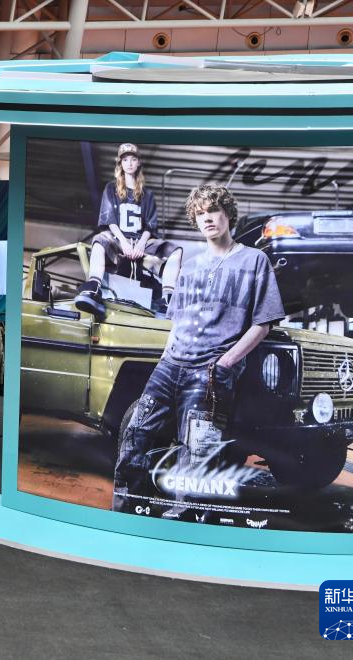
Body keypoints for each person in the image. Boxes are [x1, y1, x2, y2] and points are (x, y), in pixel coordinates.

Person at [112, 184, 285, 519]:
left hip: (209, 371)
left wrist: (225, 363)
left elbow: (263, 324)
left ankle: (183, 524)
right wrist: (165, 358)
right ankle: (123, 513)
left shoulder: (254, 261)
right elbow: (177, 321)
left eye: (214, 211)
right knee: (135, 436)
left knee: (196, 455)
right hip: (170, 365)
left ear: (228, 215)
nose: (207, 218)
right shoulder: (190, 265)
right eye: (201, 214)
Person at [74, 143, 182, 318]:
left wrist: (141, 244)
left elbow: (150, 225)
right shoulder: (111, 188)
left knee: (176, 251)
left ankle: (168, 298)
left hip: (140, 242)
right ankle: (93, 286)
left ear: (138, 162)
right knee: (99, 239)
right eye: (125, 160)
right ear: (120, 164)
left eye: (133, 159)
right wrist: (123, 242)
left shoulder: (148, 194)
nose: (129, 163)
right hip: (119, 240)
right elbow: (110, 220)